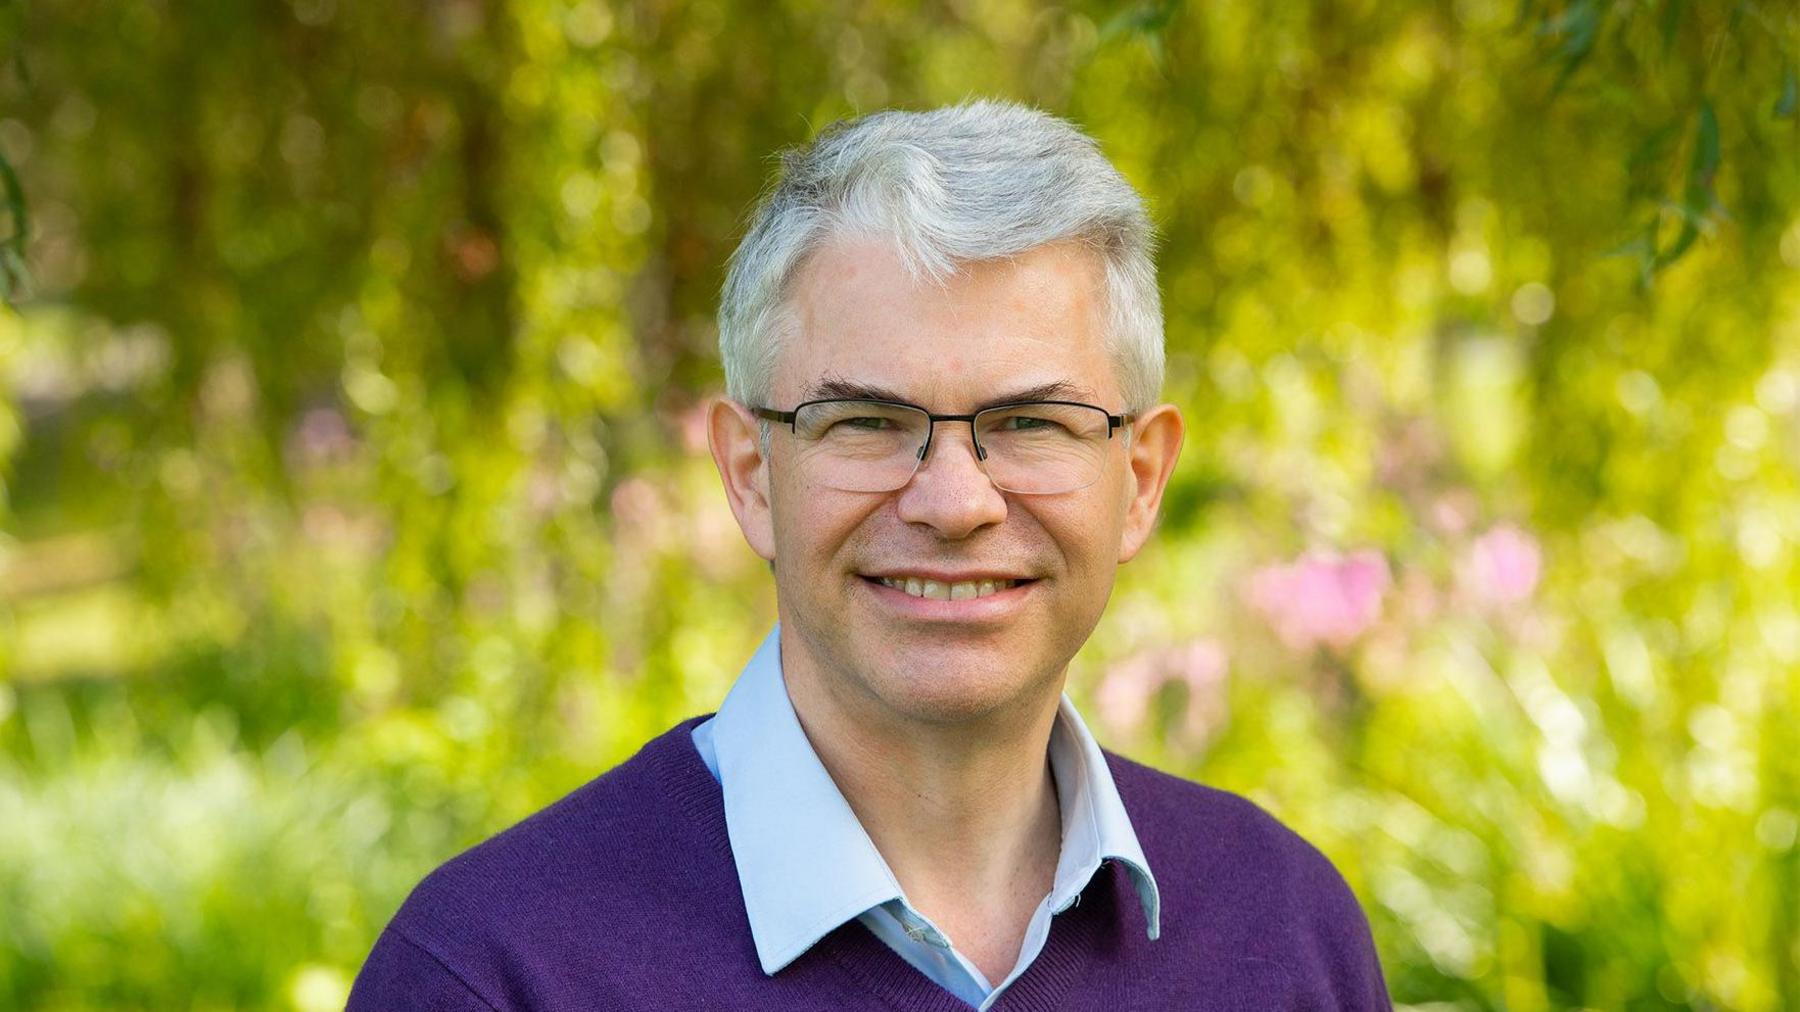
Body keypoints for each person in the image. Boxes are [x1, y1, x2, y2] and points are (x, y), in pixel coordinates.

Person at [349, 100, 1391, 1011]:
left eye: (1031, 421)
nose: (953, 503)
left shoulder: (1286, 934)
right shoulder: (493, 975)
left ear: (1142, 478)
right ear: (753, 472)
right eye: (866, 422)